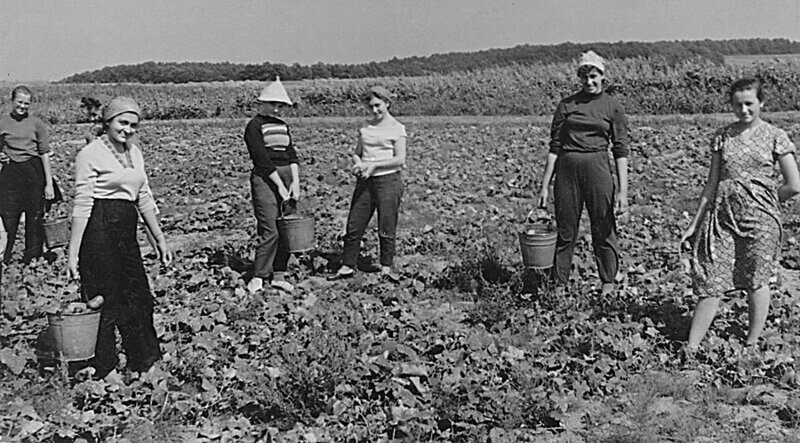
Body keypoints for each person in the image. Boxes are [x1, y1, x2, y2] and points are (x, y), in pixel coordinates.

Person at [681, 78, 800, 350]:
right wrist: (694, 223)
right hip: (721, 219)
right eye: (738, 104)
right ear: (731, 106)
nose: (744, 110)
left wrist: (766, 200)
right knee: (711, 280)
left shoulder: (775, 136)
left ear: (761, 103)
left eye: (750, 104)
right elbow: (711, 184)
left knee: (757, 280)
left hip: (761, 221)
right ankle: (691, 347)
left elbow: (794, 185)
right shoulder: (722, 137)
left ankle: (751, 344)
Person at [67, 97, 172, 380]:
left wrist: (158, 237)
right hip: (98, 227)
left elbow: (144, 195)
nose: (127, 129)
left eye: (133, 125)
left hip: (125, 226)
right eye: (122, 122)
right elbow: (82, 202)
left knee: (138, 293)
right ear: (108, 122)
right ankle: (106, 366)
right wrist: (73, 251)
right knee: (105, 297)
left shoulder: (134, 152)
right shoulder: (90, 154)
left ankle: (143, 360)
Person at [536, 51, 629, 295]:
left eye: (594, 76)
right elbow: (554, 148)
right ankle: (558, 284)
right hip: (568, 171)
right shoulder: (567, 105)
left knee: (603, 227)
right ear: (579, 78)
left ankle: (608, 283)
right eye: (585, 77)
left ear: (602, 76)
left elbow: (620, 150)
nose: (589, 81)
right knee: (566, 231)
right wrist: (545, 185)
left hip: (598, 169)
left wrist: (623, 191)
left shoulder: (612, 106)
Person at [332, 86, 407, 279]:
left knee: (386, 224)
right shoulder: (366, 128)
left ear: (387, 103)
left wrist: (374, 166)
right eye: (370, 106)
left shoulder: (397, 128)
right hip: (365, 181)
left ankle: (386, 267)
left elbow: (400, 159)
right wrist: (358, 165)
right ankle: (348, 264)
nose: (374, 110)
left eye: (377, 105)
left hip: (388, 180)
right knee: (354, 224)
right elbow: (357, 153)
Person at [244, 77, 300, 294]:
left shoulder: (282, 126)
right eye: (273, 105)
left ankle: (279, 274)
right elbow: (261, 159)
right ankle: (258, 275)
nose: (277, 109)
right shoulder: (254, 126)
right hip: (266, 179)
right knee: (270, 229)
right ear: (263, 103)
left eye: (281, 106)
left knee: (287, 228)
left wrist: (295, 182)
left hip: (286, 176)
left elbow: (291, 154)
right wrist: (280, 186)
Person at [0, 85, 55, 264]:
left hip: (33, 171)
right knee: (8, 215)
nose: (23, 106)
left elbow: (45, 153)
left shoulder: (36, 124)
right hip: (11, 173)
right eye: (19, 102)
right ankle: (5, 257)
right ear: (12, 101)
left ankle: (32, 257)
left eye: (26, 103)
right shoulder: (2, 122)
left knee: (35, 216)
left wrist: (48, 183)